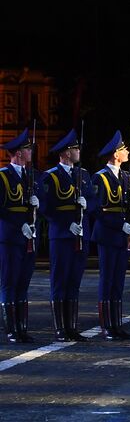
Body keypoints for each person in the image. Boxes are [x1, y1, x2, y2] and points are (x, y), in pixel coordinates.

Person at [38, 128, 89, 341]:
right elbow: (47, 208)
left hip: (80, 234)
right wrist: (67, 225)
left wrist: (87, 204)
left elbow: (93, 200)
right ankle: (61, 328)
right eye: (75, 148)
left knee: (74, 280)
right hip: (61, 235)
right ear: (66, 153)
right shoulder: (51, 176)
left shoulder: (83, 174)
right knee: (60, 280)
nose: (78, 151)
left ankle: (72, 327)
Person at [87, 131, 130, 340]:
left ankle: (117, 324)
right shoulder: (99, 177)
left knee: (119, 281)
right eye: (124, 150)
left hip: (122, 235)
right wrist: (121, 225)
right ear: (116, 154)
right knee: (107, 280)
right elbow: (98, 210)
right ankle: (107, 325)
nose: (128, 152)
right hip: (107, 234)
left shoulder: (126, 177)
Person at [1, 129, 39, 344]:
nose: (30, 151)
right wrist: (20, 225)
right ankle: (11, 329)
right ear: (17, 153)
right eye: (26, 149)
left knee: (23, 282)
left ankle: (22, 328)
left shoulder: (31, 175)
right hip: (10, 237)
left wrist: (37, 205)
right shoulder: (3, 176)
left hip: (29, 236)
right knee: (9, 282)